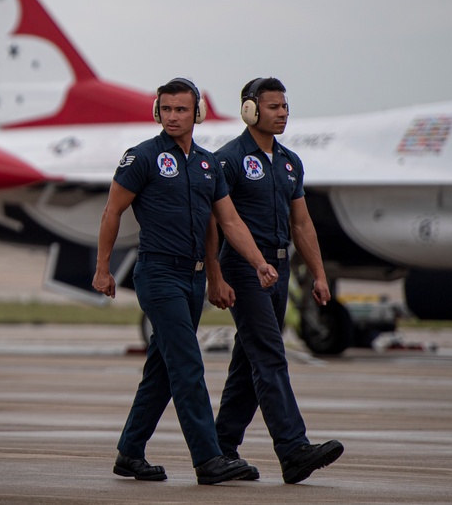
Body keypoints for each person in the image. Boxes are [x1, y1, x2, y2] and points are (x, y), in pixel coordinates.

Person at [92, 78, 279, 485]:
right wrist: (103, 268)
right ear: (156, 112)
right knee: (188, 365)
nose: (173, 116)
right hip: (159, 275)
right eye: (166, 109)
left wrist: (254, 263)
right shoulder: (141, 157)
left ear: (197, 113)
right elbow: (112, 212)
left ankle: (130, 453)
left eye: (181, 109)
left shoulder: (208, 164)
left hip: (193, 278)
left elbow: (227, 221)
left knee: (163, 369)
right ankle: (209, 459)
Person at [206, 77, 344, 484]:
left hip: (280, 269)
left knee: (249, 360)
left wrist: (318, 274)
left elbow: (301, 223)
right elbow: (216, 223)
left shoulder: (289, 162)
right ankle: (293, 449)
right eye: (273, 107)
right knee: (269, 353)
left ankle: (220, 448)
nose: (283, 113)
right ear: (250, 110)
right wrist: (216, 273)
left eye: (285, 106)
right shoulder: (227, 161)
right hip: (244, 269)